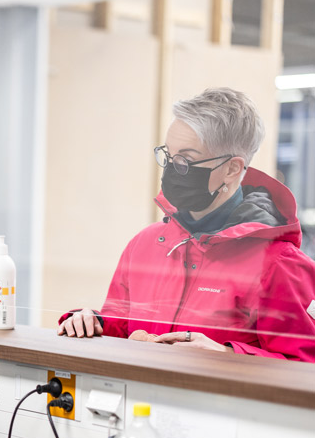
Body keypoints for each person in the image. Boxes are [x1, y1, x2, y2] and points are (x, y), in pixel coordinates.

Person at [58, 87, 315, 362]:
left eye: (186, 160)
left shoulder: (279, 265)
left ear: (231, 169)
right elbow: (121, 326)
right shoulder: (145, 244)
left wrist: (226, 355)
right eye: (168, 155)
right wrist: (92, 323)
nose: (172, 168)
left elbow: (304, 368)